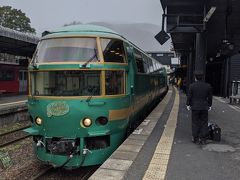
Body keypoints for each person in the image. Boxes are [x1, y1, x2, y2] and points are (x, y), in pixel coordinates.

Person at [186, 71, 212, 145]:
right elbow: (210, 97)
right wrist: (209, 105)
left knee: (195, 122)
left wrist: (188, 104)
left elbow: (189, 96)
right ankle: (203, 139)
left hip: (195, 107)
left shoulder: (192, 86)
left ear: (195, 78)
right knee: (204, 122)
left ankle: (196, 138)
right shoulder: (208, 86)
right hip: (204, 107)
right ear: (202, 77)